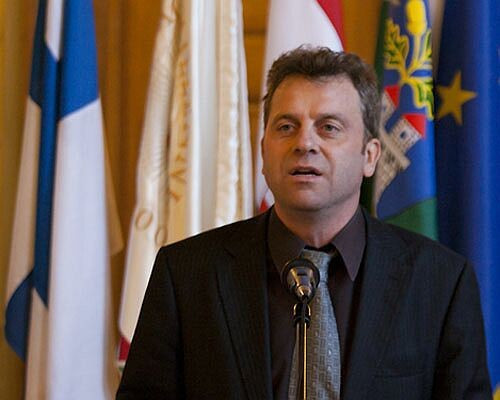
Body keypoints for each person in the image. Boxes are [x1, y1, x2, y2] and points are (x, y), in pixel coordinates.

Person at [116, 47, 491, 399]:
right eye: (286, 127)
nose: (304, 143)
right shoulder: (186, 274)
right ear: (264, 152)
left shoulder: (441, 282)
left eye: (329, 127)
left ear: (370, 156)